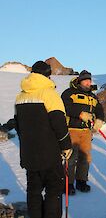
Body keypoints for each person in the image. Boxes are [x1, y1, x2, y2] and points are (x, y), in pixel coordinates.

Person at [15, 61, 72, 218]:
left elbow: (19, 126)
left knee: (33, 190)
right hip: (50, 154)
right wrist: (66, 146)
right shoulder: (49, 94)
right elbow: (59, 123)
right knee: (53, 190)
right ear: (48, 75)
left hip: (29, 155)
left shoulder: (20, 96)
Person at [61, 70, 104, 195]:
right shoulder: (69, 93)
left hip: (86, 131)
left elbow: (99, 109)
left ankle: (81, 181)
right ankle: (68, 184)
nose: (88, 82)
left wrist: (100, 119)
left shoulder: (93, 96)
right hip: (72, 129)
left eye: (89, 80)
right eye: (86, 80)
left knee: (85, 157)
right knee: (71, 157)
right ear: (80, 81)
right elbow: (65, 106)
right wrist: (80, 114)